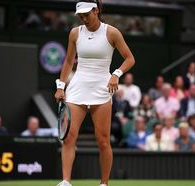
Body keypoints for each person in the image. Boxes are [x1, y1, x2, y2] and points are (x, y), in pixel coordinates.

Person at [54, 0, 135, 185]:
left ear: (96, 10)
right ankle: (66, 181)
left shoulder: (112, 32)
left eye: (87, 15)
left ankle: (104, 183)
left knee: (103, 141)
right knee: (68, 138)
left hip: (102, 88)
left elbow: (130, 59)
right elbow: (68, 62)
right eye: (80, 16)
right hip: (77, 88)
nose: (84, 19)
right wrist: (61, 86)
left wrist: (116, 74)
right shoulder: (75, 33)